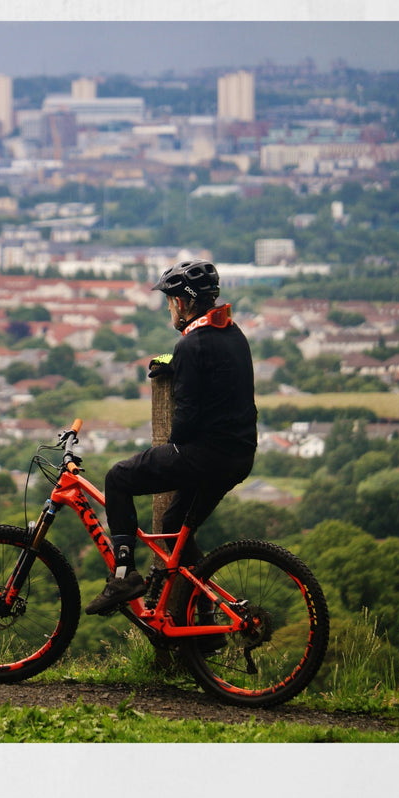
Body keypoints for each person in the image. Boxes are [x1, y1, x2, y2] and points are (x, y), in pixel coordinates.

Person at [85, 259, 258, 615]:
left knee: (118, 478)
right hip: (238, 455)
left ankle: (124, 575)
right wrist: (176, 365)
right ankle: (207, 616)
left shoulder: (191, 345)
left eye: (169, 302)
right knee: (173, 527)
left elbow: (186, 420)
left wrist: (174, 444)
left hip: (204, 455)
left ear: (182, 303)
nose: (169, 309)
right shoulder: (233, 334)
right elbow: (216, 374)